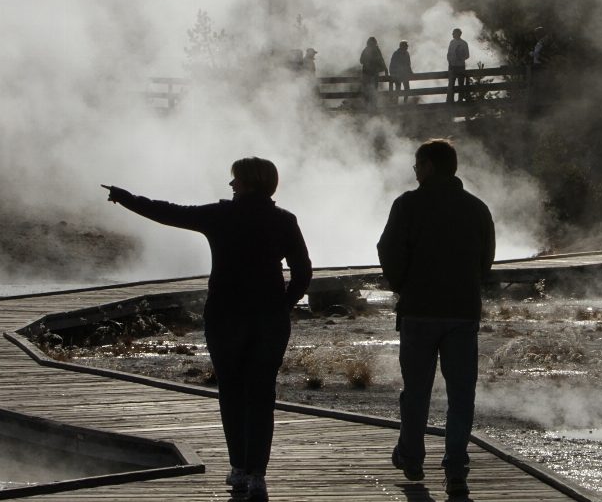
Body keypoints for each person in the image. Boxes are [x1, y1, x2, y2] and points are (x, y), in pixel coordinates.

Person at [101, 158, 311, 502]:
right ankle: (258, 475)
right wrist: (283, 305)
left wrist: (125, 198)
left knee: (231, 391)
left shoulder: (220, 215)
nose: (231, 186)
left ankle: (239, 469)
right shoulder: (284, 220)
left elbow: (168, 212)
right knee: (261, 395)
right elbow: (303, 271)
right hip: (269, 320)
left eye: (235, 180)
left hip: (225, 316)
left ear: (248, 183)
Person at [377, 139, 495, 498]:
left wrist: (403, 286)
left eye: (416, 166)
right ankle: (456, 470)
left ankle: (412, 457)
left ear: (428, 166)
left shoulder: (408, 204)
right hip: (462, 312)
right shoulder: (476, 207)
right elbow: (486, 258)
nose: (415, 173)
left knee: (416, 390)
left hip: (419, 312)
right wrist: (467, 286)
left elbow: (388, 250)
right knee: (461, 394)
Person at [359, 37, 388, 112]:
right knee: (369, 88)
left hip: (371, 72)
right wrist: (384, 69)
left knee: (373, 88)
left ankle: (371, 104)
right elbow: (362, 61)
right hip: (369, 72)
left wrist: (385, 69)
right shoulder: (368, 50)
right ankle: (369, 104)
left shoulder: (372, 50)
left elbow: (381, 60)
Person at [446, 29, 470, 103]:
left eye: (454, 33)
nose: (453, 35)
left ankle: (460, 99)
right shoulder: (452, 42)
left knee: (461, 83)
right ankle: (450, 100)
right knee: (451, 83)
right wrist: (449, 61)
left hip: (460, 66)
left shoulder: (464, 43)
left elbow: (467, 55)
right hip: (452, 65)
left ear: (459, 34)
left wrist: (461, 59)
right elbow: (449, 53)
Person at [389, 40, 413, 105]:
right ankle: (396, 102)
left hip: (405, 74)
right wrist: (392, 73)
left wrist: (410, 72)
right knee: (398, 88)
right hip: (398, 74)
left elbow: (408, 64)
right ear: (402, 46)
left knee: (407, 89)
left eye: (407, 46)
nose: (407, 47)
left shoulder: (407, 53)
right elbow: (392, 64)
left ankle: (405, 102)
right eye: (406, 45)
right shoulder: (396, 54)